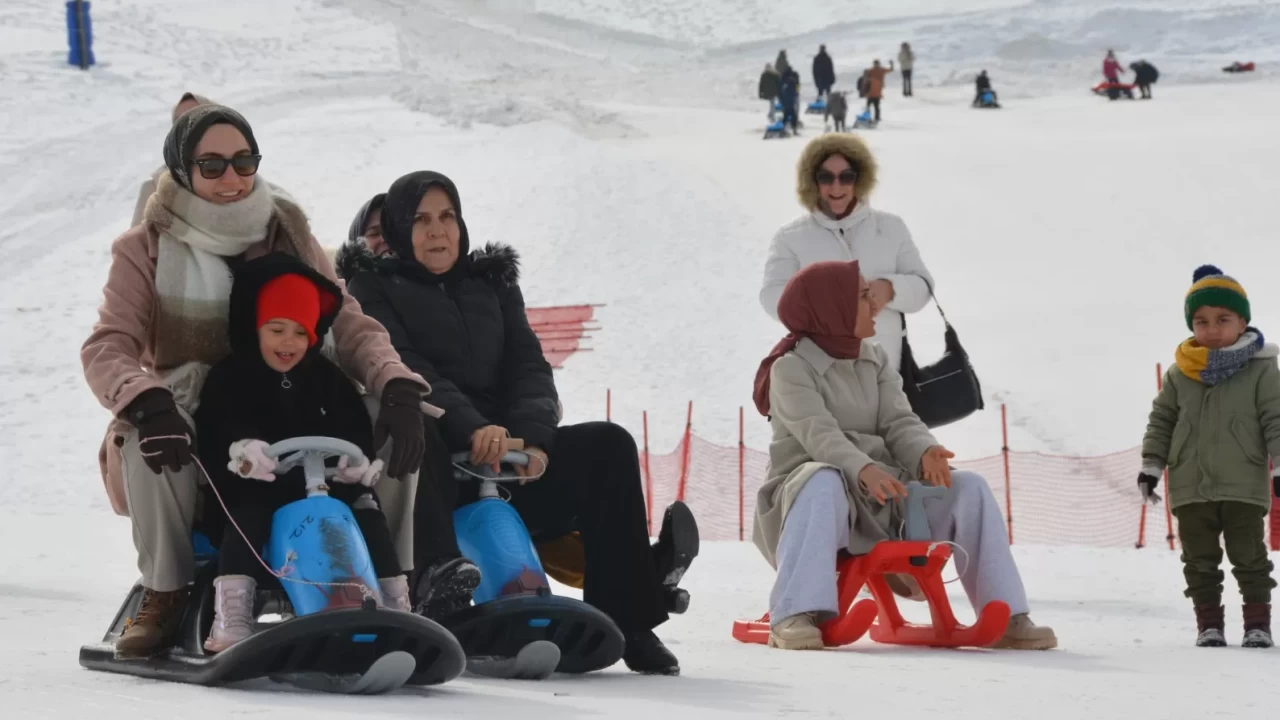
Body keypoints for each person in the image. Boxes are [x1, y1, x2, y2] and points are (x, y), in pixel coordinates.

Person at [82, 104, 432, 659]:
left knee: (383, 422)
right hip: (200, 406)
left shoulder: (286, 230)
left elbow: (347, 322)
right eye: (212, 164)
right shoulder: (146, 245)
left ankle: (395, 583)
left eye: (244, 162)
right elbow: (108, 344)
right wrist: (145, 400)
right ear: (182, 168)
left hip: (294, 395)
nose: (232, 178)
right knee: (143, 439)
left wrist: (396, 383)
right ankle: (166, 591)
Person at [342, 170, 690, 675]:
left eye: (447, 217)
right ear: (398, 229)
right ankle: (441, 587)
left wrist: (535, 442)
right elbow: (411, 366)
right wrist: (472, 427)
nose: (437, 231)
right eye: (420, 220)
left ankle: (629, 621)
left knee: (607, 445)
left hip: (507, 466)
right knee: (416, 420)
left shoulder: (492, 283)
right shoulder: (373, 287)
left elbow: (528, 366)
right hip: (440, 471)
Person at [751, 260, 1057, 651]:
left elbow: (899, 420)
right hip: (812, 500)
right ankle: (794, 613)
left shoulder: (873, 358)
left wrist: (924, 451)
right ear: (832, 307)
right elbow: (819, 435)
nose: (875, 302)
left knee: (968, 488)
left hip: (883, 495)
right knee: (823, 477)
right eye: (862, 296)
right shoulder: (790, 369)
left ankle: (1009, 616)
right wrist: (863, 470)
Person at [194, 253, 411, 651]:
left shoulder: (327, 379)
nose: (288, 343)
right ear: (255, 328)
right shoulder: (231, 376)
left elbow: (353, 425)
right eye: (276, 330)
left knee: (366, 509)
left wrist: (355, 460)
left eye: (300, 332)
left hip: (326, 485)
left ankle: (396, 603)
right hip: (259, 481)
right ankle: (233, 615)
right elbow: (219, 423)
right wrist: (243, 448)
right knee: (248, 513)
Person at [1139, 265, 1278, 649]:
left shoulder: (1262, 369)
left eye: (1222, 319)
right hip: (1190, 484)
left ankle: (1257, 624)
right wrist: (1151, 465)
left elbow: (1276, 418)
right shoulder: (1179, 373)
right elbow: (1162, 420)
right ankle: (1209, 624)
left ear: (1243, 321)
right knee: (1198, 561)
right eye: (1201, 321)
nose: (1211, 329)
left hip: (1243, 483)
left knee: (1250, 557)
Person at [760, 134, 933, 374]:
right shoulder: (790, 236)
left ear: (860, 178)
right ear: (812, 181)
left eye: (847, 177)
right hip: (821, 376)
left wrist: (890, 288)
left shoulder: (891, 227)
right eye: (825, 177)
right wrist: (825, 305)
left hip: (887, 372)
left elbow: (923, 287)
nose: (836, 186)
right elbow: (771, 297)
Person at [130, 92, 214, 227]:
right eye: (179, 120)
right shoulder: (154, 186)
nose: (187, 125)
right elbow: (134, 245)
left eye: (196, 116)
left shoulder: (240, 172)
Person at [779, 69, 800, 136]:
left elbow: (782, 93)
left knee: (787, 115)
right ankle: (793, 129)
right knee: (792, 115)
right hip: (790, 101)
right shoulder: (793, 82)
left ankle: (784, 128)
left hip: (786, 101)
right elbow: (795, 92)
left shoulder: (785, 82)